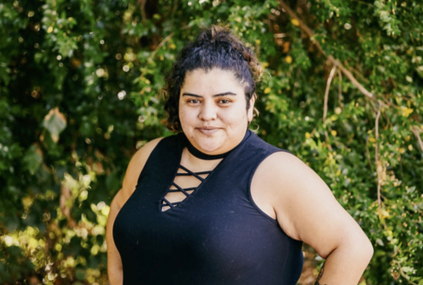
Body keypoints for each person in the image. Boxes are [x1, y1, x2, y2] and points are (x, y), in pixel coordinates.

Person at [106, 25, 373, 285]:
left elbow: (352, 247)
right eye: (193, 100)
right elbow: (120, 208)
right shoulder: (149, 156)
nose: (207, 114)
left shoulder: (278, 172)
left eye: (224, 101)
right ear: (178, 103)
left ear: (249, 105)